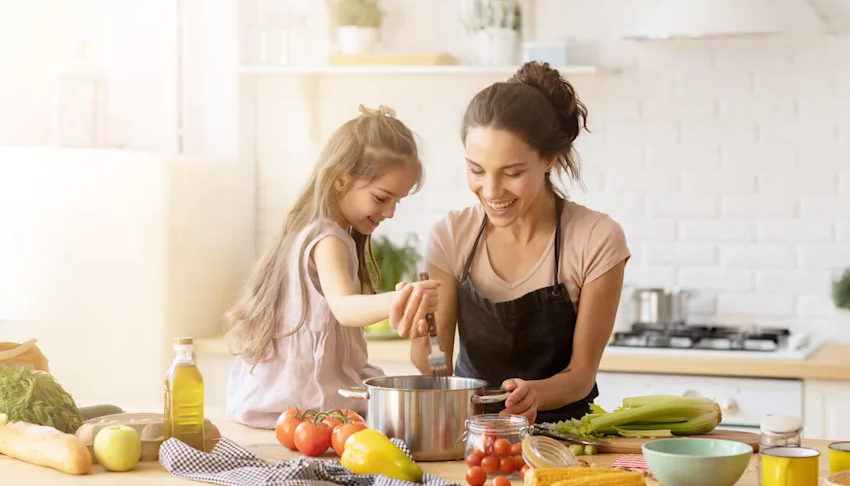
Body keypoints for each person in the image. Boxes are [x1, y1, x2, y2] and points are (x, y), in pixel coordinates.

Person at [391, 62, 630, 424]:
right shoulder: (452, 236)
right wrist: (420, 337)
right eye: (476, 170)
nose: (490, 191)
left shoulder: (596, 239)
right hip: (472, 437)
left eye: (512, 173)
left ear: (549, 159)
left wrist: (535, 393)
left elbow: (580, 377)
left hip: (566, 439)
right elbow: (436, 369)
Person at [225, 104, 438, 429]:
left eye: (398, 200)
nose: (391, 212)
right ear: (340, 181)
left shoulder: (315, 231)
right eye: (382, 198)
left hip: (283, 402)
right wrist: (400, 297)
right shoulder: (329, 238)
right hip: (305, 405)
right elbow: (344, 308)